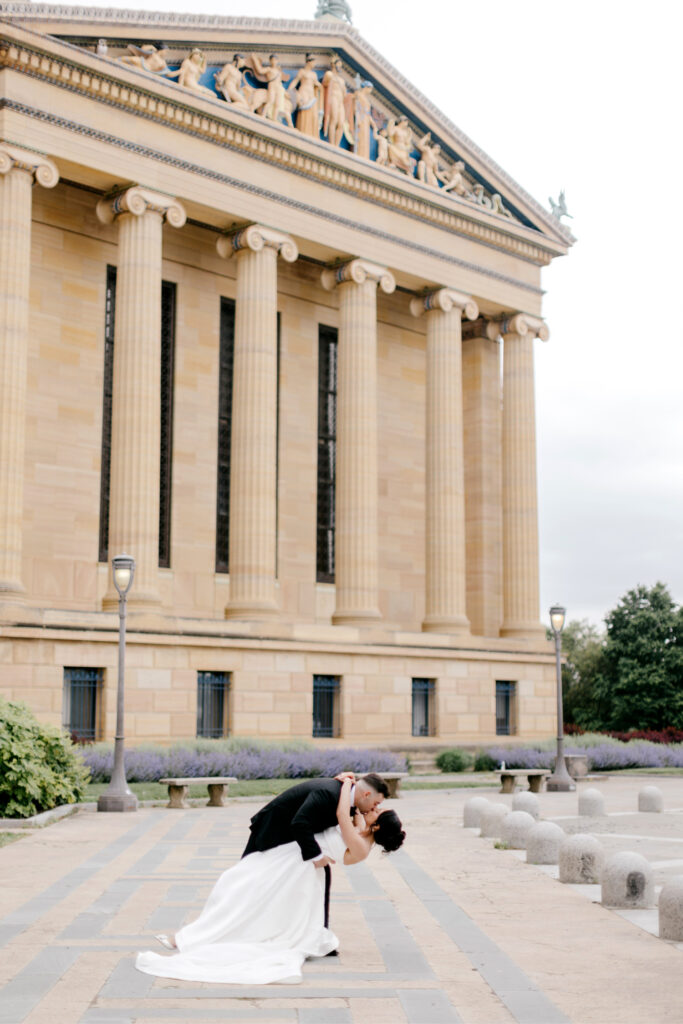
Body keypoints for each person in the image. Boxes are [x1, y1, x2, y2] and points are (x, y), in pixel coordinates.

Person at [135, 775, 405, 985]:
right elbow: (348, 811)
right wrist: (346, 781)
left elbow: (339, 815)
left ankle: (210, 934)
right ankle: (210, 931)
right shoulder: (361, 828)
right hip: (297, 854)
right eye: (376, 803)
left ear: (377, 826)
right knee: (243, 883)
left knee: (249, 890)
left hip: (300, 861)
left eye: (378, 810)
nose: (374, 808)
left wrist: (346, 784)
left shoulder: (359, 843)